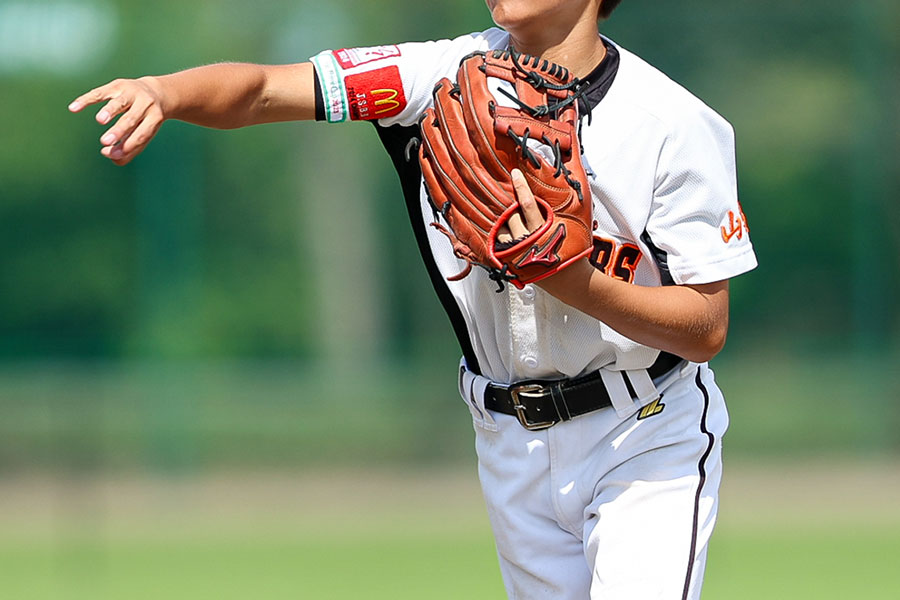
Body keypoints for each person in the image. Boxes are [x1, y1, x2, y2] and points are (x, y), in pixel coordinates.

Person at [70, 1, 757, 598]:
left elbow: (705, 327)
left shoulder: (671, 123)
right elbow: (261, 91)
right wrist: (163, 90)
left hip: (642, 428)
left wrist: (576, 283)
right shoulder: (433, 78)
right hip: (510, 437)